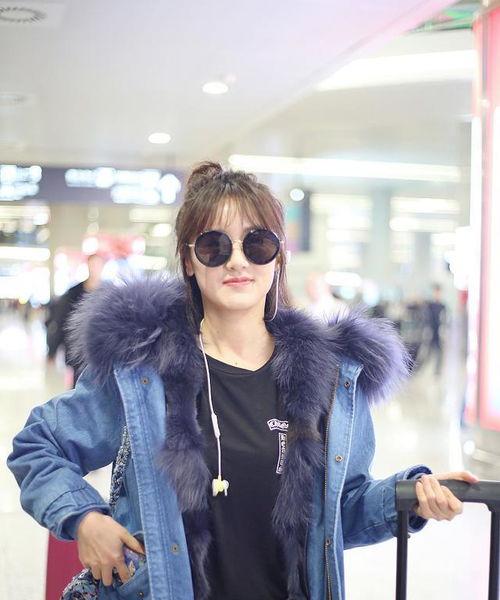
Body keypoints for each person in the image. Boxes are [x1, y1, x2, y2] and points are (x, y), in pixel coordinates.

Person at [7, 162, 477, 600]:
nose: (237, 261)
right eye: (214, 246)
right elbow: (37, 446)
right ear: (189, 261)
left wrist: (410, 495)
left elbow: (339, 511)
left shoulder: (328, 379)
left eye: (257, 244)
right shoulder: (144, 371)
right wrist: (85, 518)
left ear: (278, 258)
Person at [46, 253, 106, 385]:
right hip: (78, 351)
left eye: (98, 265)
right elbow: (61, 322)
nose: (95, 269)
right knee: (78, 387)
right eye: (92, 265)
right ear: (87, 266)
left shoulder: (109, 293)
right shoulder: (73, 293)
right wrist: (52, 350)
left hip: (101, 352)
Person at [426, 283, 447, 376]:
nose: (437, 294)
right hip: (431, 332)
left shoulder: (443, 306)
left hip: (439, 333)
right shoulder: (430, 305)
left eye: (438, 292)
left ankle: (437, 371)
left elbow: (445, 321)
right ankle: (426, 371)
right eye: (435, 292)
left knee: (439, 353)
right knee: (428, 353)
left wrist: (444, 332)